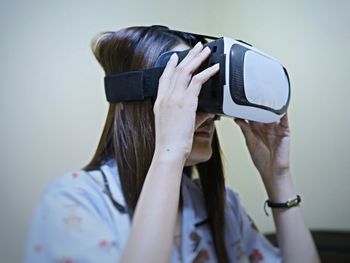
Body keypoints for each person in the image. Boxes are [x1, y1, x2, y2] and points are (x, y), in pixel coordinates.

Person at [25, 25, 320, 263]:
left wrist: (278, 176)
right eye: (188, 88)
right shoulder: (74, 202)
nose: (206, 113)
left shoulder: (219, 204)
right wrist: (168, 154)